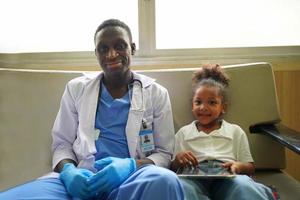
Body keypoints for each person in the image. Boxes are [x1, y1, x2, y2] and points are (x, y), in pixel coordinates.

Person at [0, 19, 184, 200]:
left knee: (166, 181)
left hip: (132, 179)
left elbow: (164, 153)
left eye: (120, 46)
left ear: (132, 48)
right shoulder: (76, 89)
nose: (111, 55)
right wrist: (69, 172)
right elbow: (61, 144)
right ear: (96, 53)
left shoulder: (156, 93)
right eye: (103, 49)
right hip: (83, 179)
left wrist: (129, 166)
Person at [170, 64, 274, 200]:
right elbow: (172, 166)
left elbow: (250, 167)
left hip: (229, 178)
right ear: (192, 105)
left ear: (223, 108)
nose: (203, 107)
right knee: (181, 188)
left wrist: (238, 166)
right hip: (192, 178)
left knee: (244, 186)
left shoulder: (235, 131)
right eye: (198, 102)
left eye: (212, 102)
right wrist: (178, 160)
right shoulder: (183, 133)